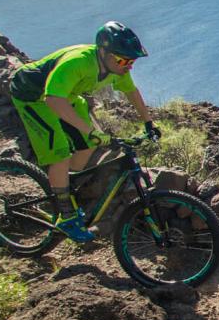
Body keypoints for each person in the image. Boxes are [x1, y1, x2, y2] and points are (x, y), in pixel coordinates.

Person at [8, 21, 161, 242]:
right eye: (124, 60)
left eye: (132, 61)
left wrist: (149, 122)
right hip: (33, 96)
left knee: (89, 144)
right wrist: (88, 129)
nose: (129, 65)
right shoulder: (78, 63)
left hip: (67, 96)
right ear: (103, 52)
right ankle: (66, 216)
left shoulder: (117, 67)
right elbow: (51, 99)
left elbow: (132, 92)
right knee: (60, 151)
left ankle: (61, 189)